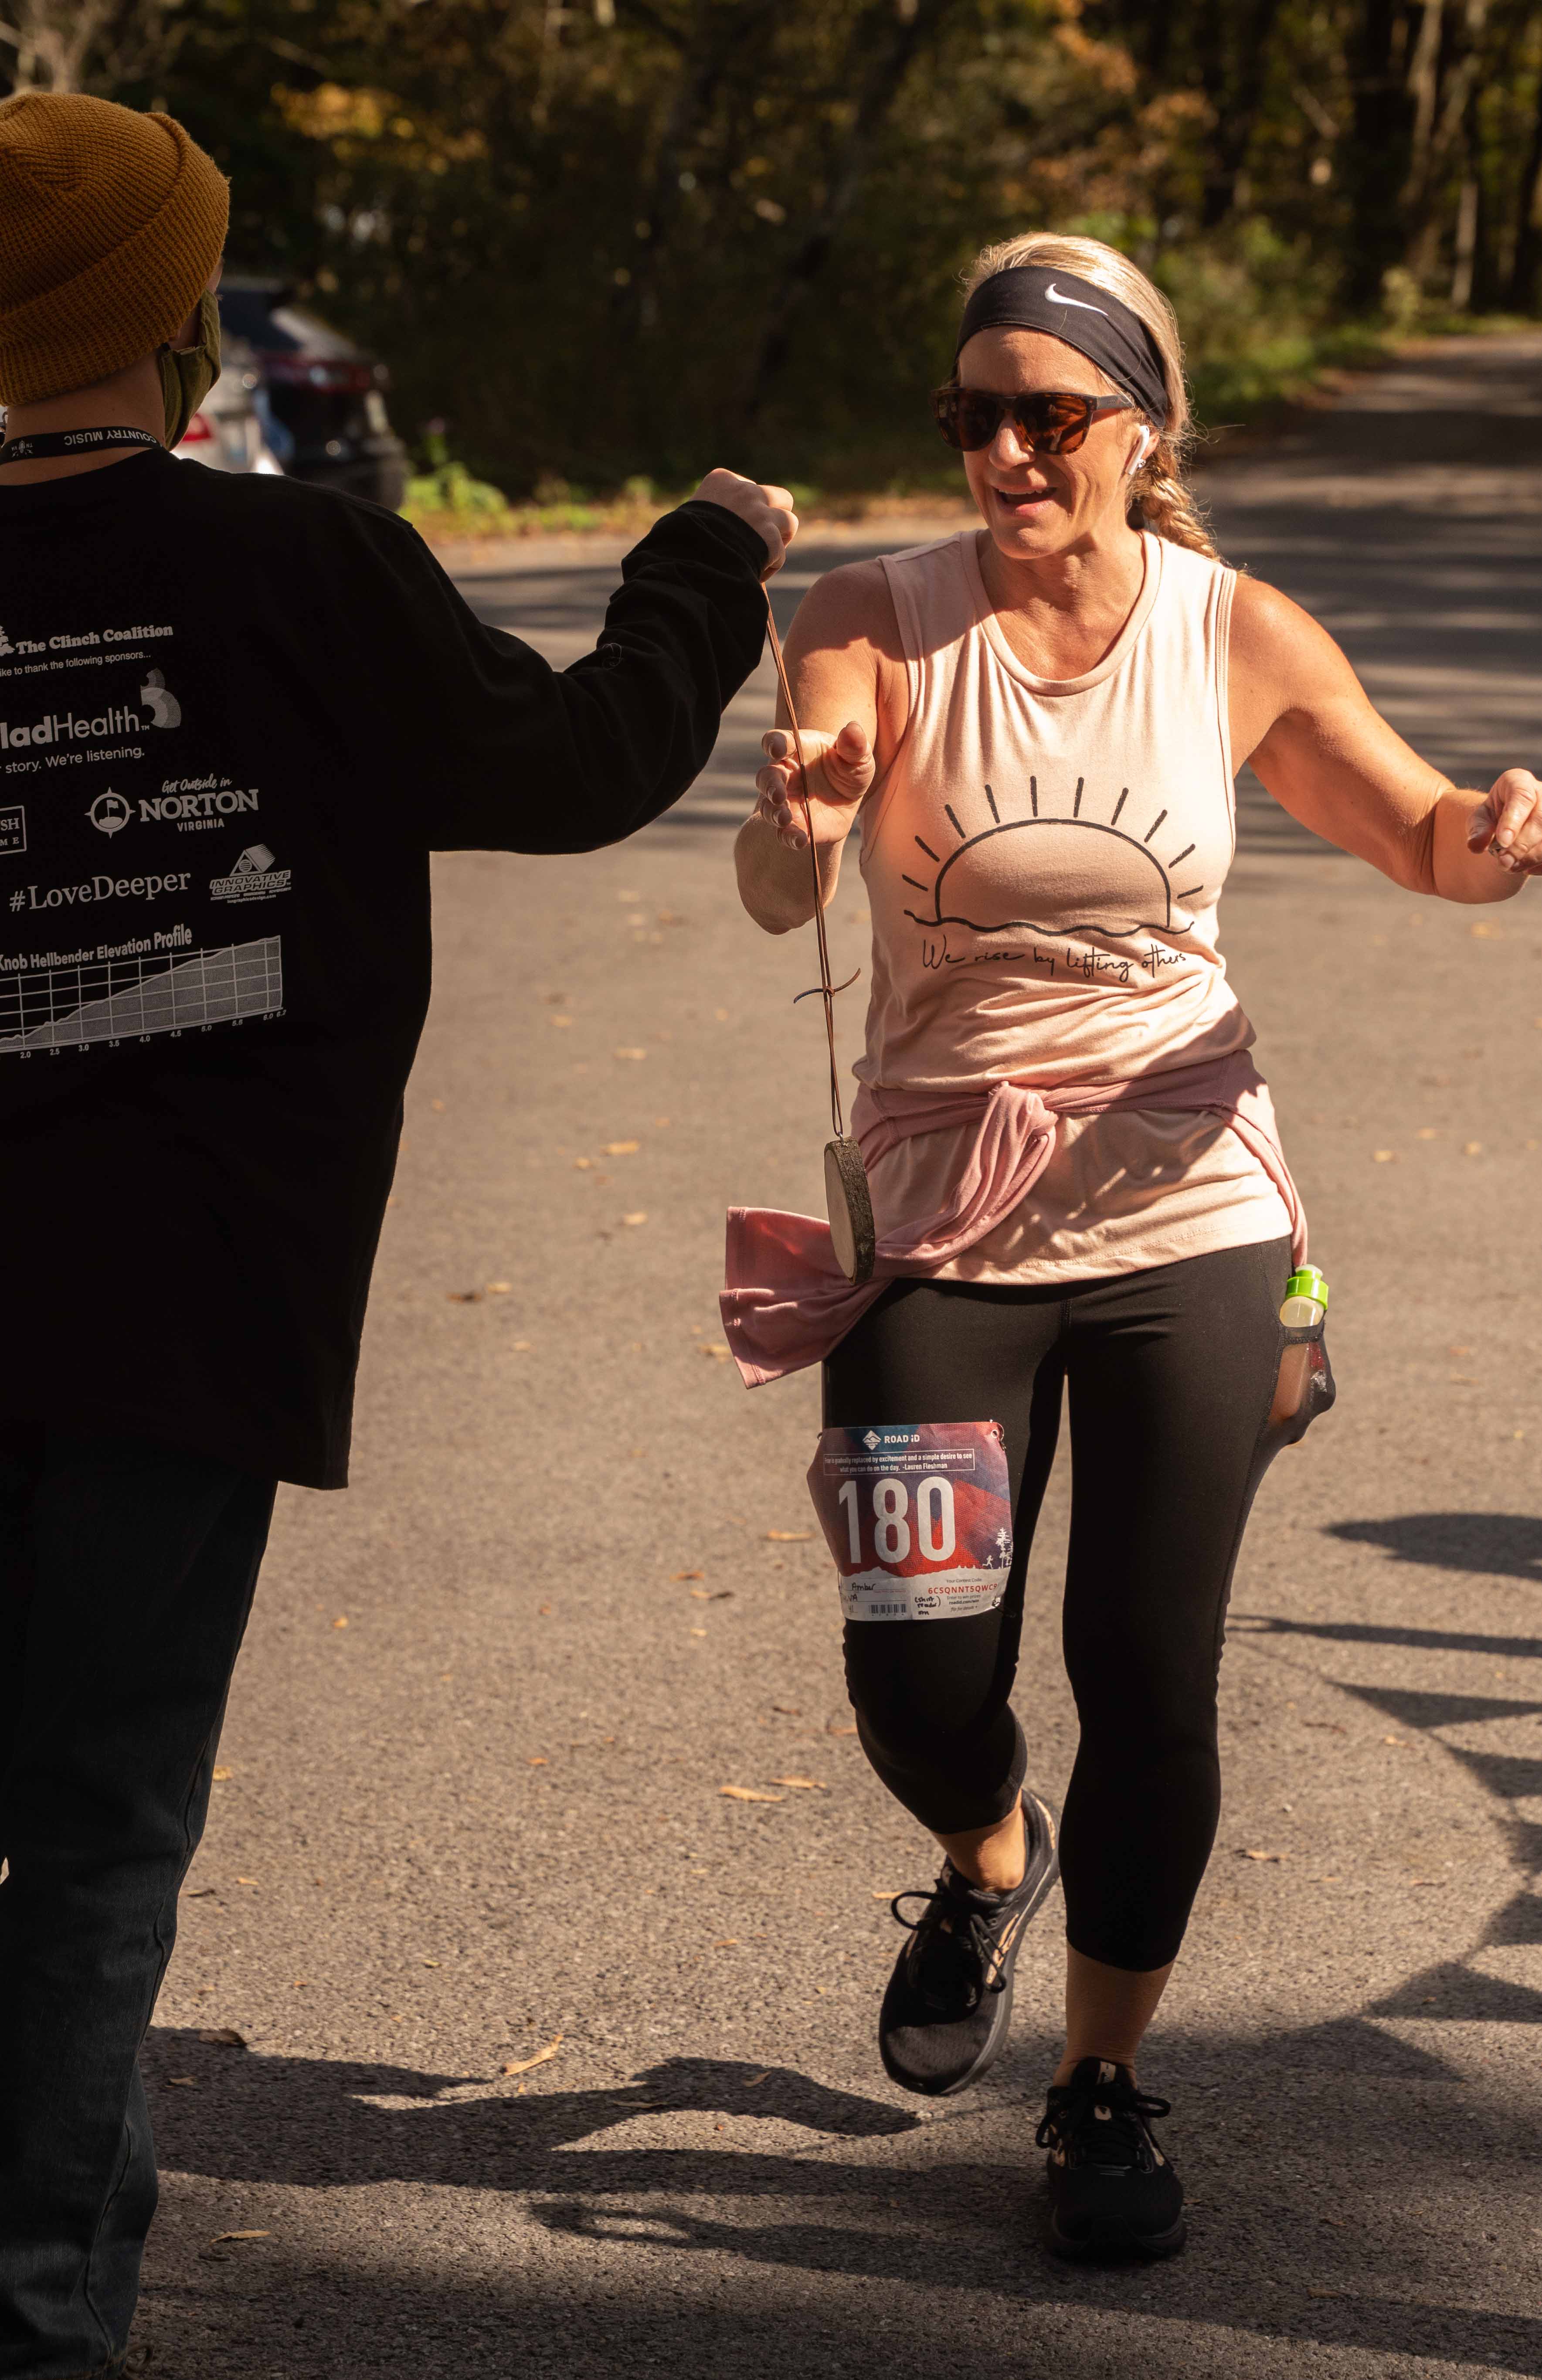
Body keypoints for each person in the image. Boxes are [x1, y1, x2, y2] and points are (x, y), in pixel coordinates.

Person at [0, 90, 796, 2380]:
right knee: (96, 1830)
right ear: (182, 313)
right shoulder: (302, 569)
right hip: (182, 1308)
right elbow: (571, 768)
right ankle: (37, 2320)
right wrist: (706, 563)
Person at [723, 232, 1542, 2262]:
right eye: (977, 417)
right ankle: (984, 1850)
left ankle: (1102, 2086)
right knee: (917, 1657)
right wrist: (806, 820)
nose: (1009, 454)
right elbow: (778, 888)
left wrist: (1504, 833)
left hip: (1191, 1207)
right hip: (943, 1214)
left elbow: (1419, 834)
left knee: (1148, 1668)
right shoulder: (869, 619)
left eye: (1052, 415)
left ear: (1144, 428)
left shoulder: (1234, 633)